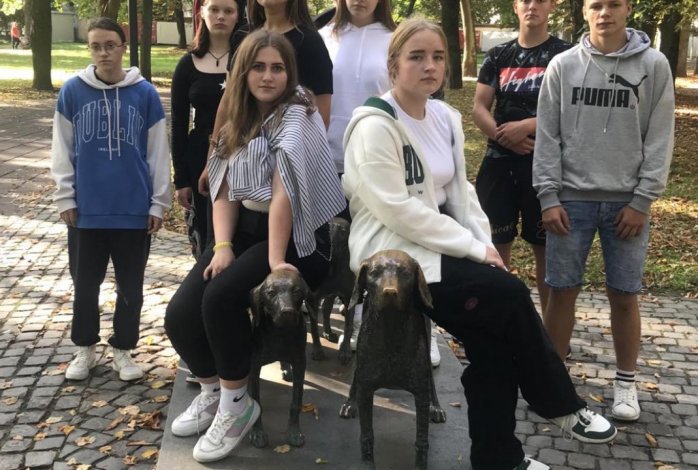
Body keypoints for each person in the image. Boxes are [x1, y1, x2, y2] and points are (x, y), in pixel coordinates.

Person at [342, 18, 617, 470]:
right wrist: (470, 249)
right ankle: (558, 402)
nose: (430, 66)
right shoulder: (374, 125)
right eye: (416, 57)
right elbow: (397, 209)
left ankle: (498, 460)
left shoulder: (443, 118)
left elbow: (461, 194)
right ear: (393, 66)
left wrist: (484, 246)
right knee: (509, 296)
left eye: (437, 57)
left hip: (440, 240)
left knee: (494, 346)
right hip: (394, 253)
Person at [164, 30, 346, 463]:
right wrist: (222, 245)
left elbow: (285, 196)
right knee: (181, 314)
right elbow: (224, 188)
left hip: (299, 237)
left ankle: (237, 405)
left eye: (277, 68)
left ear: (289, 73)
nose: (268, 76)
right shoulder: (238, 116)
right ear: (243, 72)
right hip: (245, 230)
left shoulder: (297, 116)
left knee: (220, 298)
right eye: (258, 67)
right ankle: (212, 389)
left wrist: (277, 259)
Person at [533, 0, 675, 423]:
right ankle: (553, 384)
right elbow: (547, 134)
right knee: (561, 291)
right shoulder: (562, 66)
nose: (604, 12)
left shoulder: (654, 65)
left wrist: (642, 201)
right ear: (584, 11)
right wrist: (548, 197)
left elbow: (660, 136)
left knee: (624, 294)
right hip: (570, 201)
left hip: (626, 204)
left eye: (614, 3)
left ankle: (626, 382)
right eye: (596, 4)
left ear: (628, 9)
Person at [50, 17, 171, 382]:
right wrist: (65, 197)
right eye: (96, 46)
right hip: (86, 211)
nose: (103, 53)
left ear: (122, 48)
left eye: (110, 45)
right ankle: (85, 347)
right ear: (90, 50)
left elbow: (157, 152)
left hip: (133, 210)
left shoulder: (145, 94)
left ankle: (123, 349)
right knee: (85, 286)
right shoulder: (73, 92)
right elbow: (62, 149)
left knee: (131, 287)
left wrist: (159, 202)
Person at [472, 0, 571, 315]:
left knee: (545, 251)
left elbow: (573, 110)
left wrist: (529, 126)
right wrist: (504, 137)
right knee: (494, 249)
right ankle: (499, 323)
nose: (532, 6)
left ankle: (548, 331)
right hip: (498, 165)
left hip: (545, 168)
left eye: (540, 0)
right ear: (515, 7)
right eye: (525, 0)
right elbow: (479, 108)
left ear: (552, 6)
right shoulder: (498, 55)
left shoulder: (566, 56)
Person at [197, 0, 334, 198]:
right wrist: (213, 159)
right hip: (237, 161)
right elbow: (229, 101)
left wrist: (291, 173)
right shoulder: (242, 36)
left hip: (284, 172)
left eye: (277, 68)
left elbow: (321, 118)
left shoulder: (310, 42)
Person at [171, 0, 242, 259]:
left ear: (238, 16)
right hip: (199, 154)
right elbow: (178, 124)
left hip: (240, 153)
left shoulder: (248, 60)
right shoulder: (187, 64)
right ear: (202, 13)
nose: (221, 16)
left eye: (228, 11)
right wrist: (181, 180)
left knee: (236, 234)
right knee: (204, 235)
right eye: (214, 9)